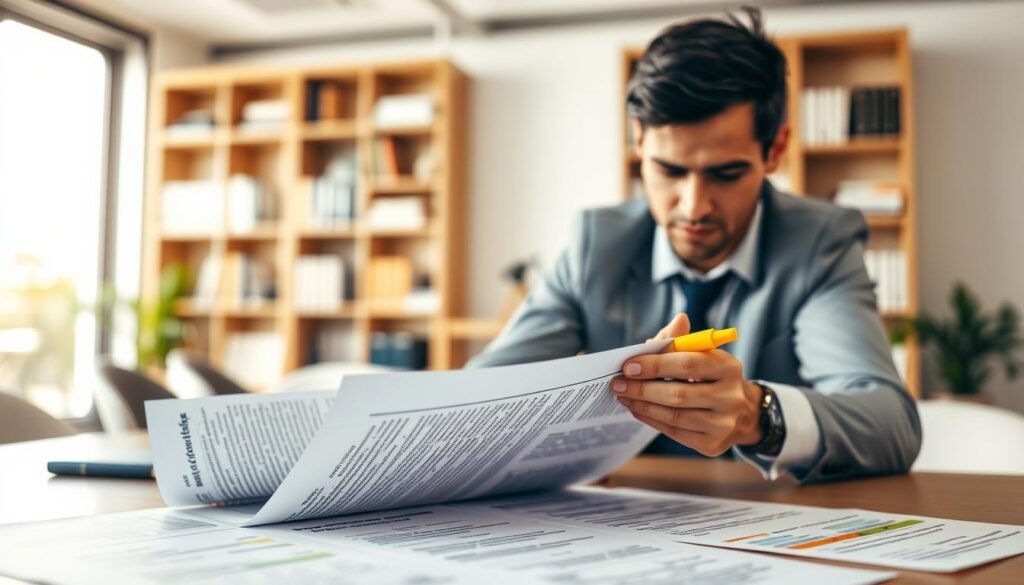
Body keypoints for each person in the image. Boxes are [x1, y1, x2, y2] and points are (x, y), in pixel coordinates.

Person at [467, 8, 921, 483]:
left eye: (726, 174)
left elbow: (891, 425)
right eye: (669, 170)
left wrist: (756, 414)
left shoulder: (818, 244)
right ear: (638, 141)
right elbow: (478, 395)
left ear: (776, 149)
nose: (694, 206)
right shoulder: (595, 244)